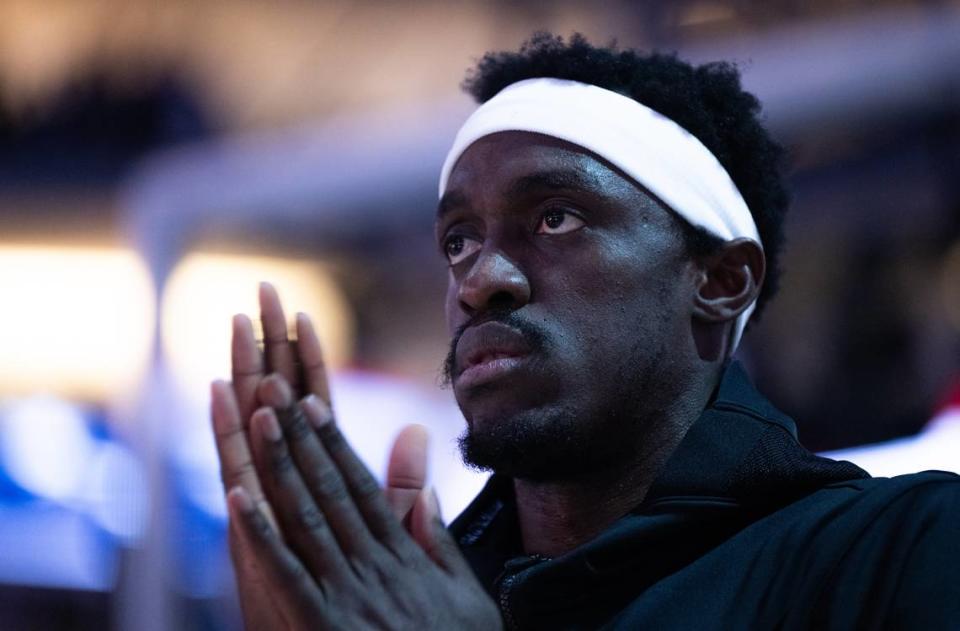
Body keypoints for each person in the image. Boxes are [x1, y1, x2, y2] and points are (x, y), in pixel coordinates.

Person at [209, 34, 960, 630]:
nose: (479, 280)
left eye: (554, 217)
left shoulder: (902, 550)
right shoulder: (402, 597)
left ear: (721, 280)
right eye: (459, 241)